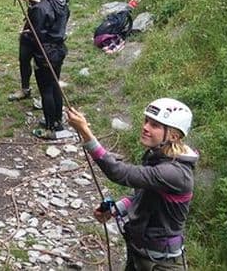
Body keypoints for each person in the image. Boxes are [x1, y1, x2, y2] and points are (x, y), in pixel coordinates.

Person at [66, 99, 198, 270]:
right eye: (146, 121)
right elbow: (145, 195)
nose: (146, 127)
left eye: (155, 125)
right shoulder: (159, 156)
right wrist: (117, 208)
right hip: (140, 254)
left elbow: (119, 173)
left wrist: (86, 134)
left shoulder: (175, 173)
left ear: (173, 136)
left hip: (162, 264)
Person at [9, 0, 68, 102]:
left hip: (48, 28)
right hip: (34, 20)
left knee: (45, 65)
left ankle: (47, 95)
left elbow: (61, 5)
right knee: (24, 54)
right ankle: (25, 88)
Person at [15, 0, 68, 139]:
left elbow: (37, 36)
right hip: (58, 50)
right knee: (55, 85)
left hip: (45, 53)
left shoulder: (40, 9)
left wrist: (26, 33)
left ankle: (50, 129)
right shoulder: (62, 0)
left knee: (46, 90)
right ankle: (57, 122)